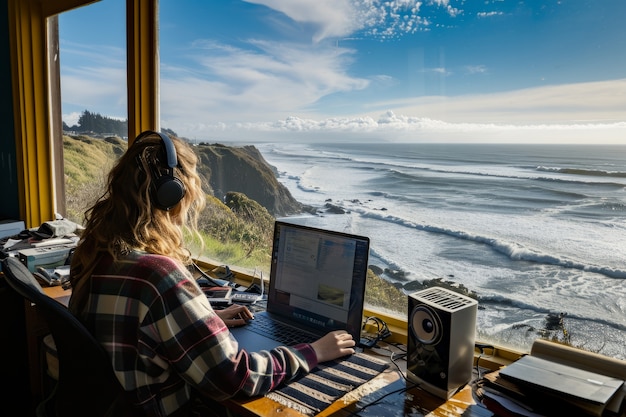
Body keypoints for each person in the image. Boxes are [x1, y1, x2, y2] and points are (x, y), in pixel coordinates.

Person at [68, 130, 356, 417]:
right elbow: (234, 377)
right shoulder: (158, 275)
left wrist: (203, 322)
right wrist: (315, 351)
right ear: (170, 194)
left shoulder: (93, 252)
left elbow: (135, 329)